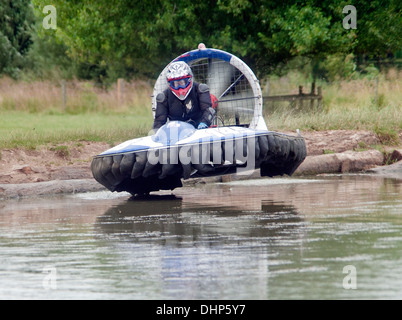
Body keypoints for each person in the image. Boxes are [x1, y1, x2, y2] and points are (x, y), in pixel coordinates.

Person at [153, 61, 216, 130]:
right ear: (169, 84)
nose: (179, 87)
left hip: (200, 130)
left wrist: (204, 123)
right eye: (175, 83)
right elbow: (159, 121)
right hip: (177, 132)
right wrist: (157, 134)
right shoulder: (164, 97)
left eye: (182, 82)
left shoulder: (200, 89)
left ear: (189, 79)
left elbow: (208, 110)